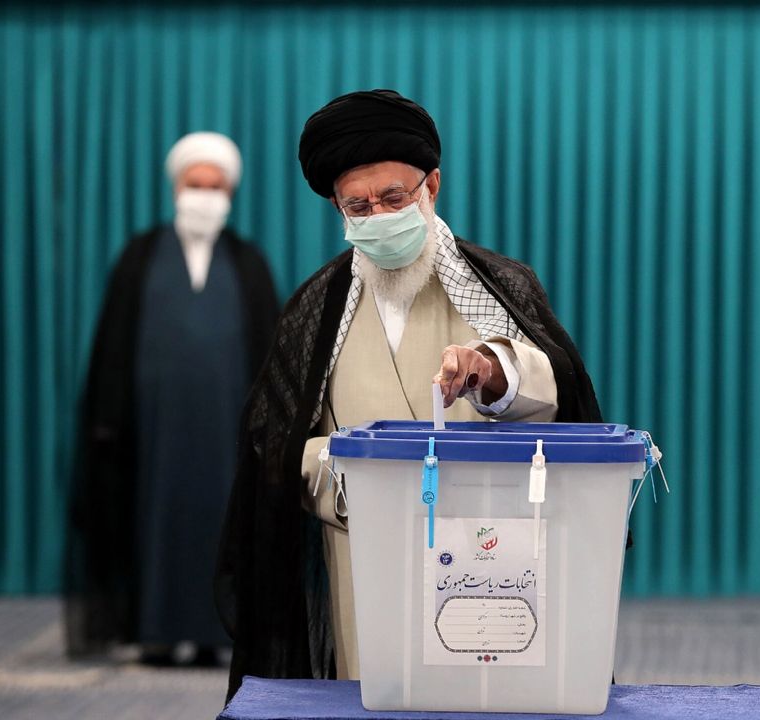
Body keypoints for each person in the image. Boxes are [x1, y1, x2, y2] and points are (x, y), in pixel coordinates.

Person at [215, 89, 601, 699]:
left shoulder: (497, 285)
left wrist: (491, 373)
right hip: (364, 557)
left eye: (393, 198)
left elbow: (555, 391)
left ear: (432, 188)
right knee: (375, 694)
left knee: (483, 702)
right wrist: (358, 477)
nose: (378, 216)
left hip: (488, 555)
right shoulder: (316, 310)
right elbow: (278, 444)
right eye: (358, 206)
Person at [65, 132, 280, 667]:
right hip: (151, 432)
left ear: (229, 193)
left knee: (222, 523)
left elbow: (271, 352)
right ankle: (155, 630)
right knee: (152, 519)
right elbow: (112, 347)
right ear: (176, 188)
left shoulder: (248, 261)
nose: (203, 195)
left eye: (214, 186)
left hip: (226, 432)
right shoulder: (139, 256)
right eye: (194, 184)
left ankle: (216, 631)